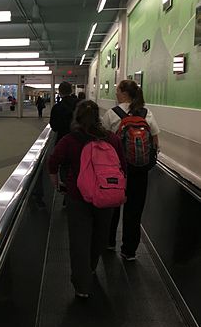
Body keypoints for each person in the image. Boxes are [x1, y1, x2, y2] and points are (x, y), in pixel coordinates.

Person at [48, 101, 127, 297]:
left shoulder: (70, 140)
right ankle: (91, 267)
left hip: (78, 195)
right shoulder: (111, 139)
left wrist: (56, 182)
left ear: (78, 117)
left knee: (79, 239)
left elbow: (53, 162)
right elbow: (123, 167)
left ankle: (82, 285)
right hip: (106, 195)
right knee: (100, 236)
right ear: (98, 118)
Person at [102, 79, 159, 261]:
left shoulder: (112, 114)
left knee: (112, 206)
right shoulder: (146, 113)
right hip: (140, 171)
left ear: (124, 93)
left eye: (117, 90)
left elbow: (102, 142)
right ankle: (129, 250)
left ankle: (109, 242)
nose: (116, 93)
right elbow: (155, 142)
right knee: (134, 210)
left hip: (116, 169)